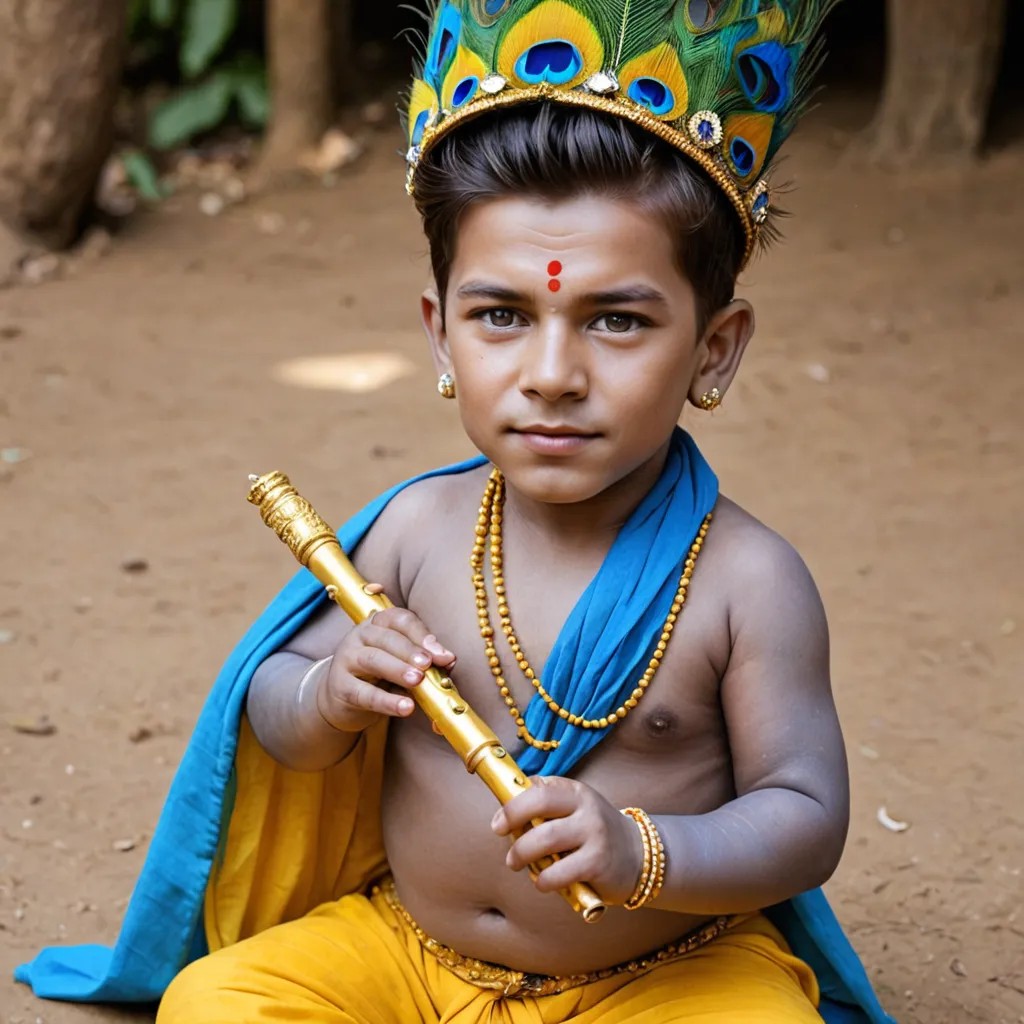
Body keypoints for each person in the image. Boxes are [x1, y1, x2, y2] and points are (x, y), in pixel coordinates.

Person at [16, 3, 895, 1022]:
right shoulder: (416, 531)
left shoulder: (747, 581)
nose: (552, 375)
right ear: (440, 337)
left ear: (714, 348)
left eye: (616, 320)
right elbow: (273, 711)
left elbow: (803, 815)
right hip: (405, 948)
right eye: (501, 316)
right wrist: (332, 693)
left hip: (665, 971)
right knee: (216, 1003)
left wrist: (642, 847)